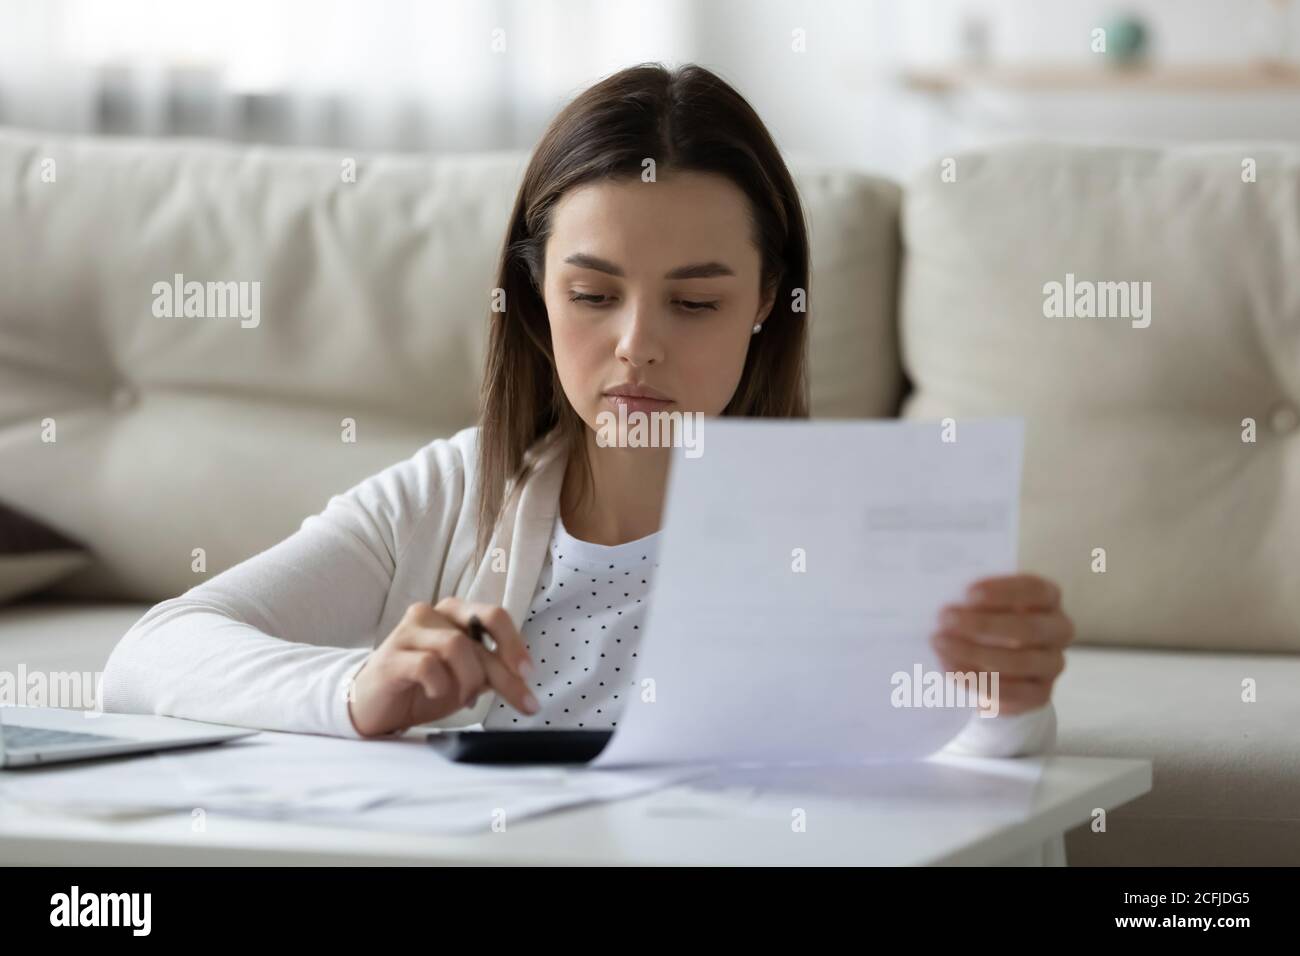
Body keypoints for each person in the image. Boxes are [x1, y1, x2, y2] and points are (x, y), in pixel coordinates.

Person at [102, 63, 1071, 757]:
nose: (636, 344)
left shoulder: (847, 521)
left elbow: (963, 763)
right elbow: (153, 655)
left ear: (768, 300)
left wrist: (1008, 701)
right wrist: (358, 690)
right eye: (593, 294)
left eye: (695, 302)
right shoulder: (452, 489)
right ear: (533, 295)